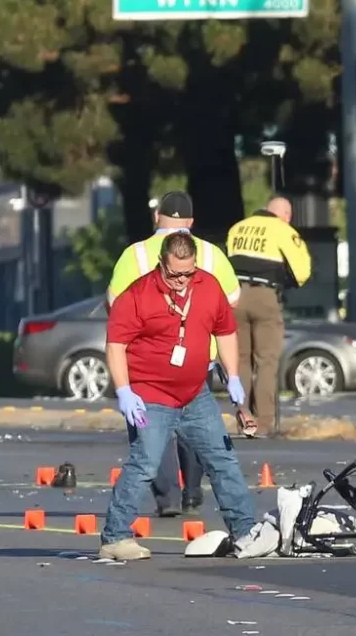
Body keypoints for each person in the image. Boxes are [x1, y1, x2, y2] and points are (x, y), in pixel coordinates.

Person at [99, 231, 257, 561]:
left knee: (222, 459)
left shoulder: (208, 287)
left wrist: (234, 377)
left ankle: (246, 532)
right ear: (162, 265)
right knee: (145, 463)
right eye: (174, 274)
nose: (181, 281)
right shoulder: (138, 296)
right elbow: (116, 346)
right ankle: (115, 537)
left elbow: (225, 332)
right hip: (149, 395)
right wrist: (125, 391)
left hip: (195, 394)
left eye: (188, 273)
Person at [105, 190, 242, 516]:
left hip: (148, 365)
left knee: (154, 435)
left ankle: (167, 496)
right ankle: (193, 491)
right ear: (191, 222)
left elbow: (114, 303)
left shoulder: (134, 254)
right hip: (199, 358)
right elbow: (231, 300)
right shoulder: (209, 254)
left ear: (157, 217)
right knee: (195, 430)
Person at [226, 196, 312, 437]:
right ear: (284, 214)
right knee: (266, 362)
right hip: (265, 298)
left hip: (234, 298)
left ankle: (245, 421)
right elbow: (302, 271)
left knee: (240, 361)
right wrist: (289, 283)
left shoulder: (237, 228)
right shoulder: (282, 230)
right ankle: (263, 423)